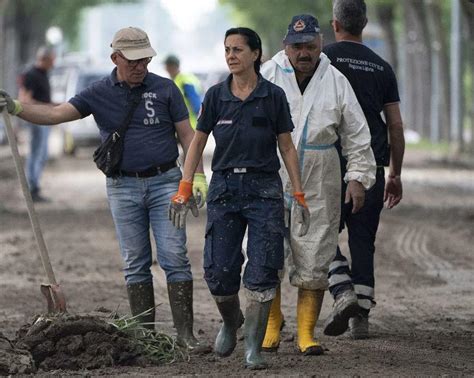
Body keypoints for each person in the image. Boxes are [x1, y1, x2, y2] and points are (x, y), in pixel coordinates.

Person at [0, 26, 210, 353]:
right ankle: (145, 337)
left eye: (145, 59)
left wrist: (195, 179)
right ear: (115, 58)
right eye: (133, 61)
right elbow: (55, 114)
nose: (141, 66)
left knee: (175, 257)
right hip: (122, 187)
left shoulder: (166, 89)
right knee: (136, 261)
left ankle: (186, 335)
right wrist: (16, 107)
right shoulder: (98, 92)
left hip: (166, 183)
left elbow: (188, 136)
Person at [169, 27, 310, 369]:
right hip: (225, 188)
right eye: (227, 49)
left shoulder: (273, 96)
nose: (231, 55)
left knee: (263, 267)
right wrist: (185, 186)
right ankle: (232, 321)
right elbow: (198, 142)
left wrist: (298, 192)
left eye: (238, 50)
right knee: (219, 270)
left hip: (264, 189)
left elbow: (287, 147)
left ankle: (253, 347)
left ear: (256, 54)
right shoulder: (217, 95)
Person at [260, 14, 376, 355]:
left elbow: (356, 135)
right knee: (267, 252)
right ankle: (271, 325)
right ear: (286, 47)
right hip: (272, 172)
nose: (303, 53)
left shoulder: (336, 80)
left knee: (315, 251)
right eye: (297, 47)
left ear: (321, 44)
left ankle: (306, 333)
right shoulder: (267, 75)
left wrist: (357, 178)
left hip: (321, 173)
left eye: (310, 46)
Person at [322, 0, 405, 339]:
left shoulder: (322, 59)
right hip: (371, 165)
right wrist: (395, 173)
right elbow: (395, 126)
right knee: (363, 238)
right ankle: (361, 316)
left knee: (320, 233)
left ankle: (342, 289)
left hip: (327, 163)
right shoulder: (382, 67)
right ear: (365, 23)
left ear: (334, 23)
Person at [17, 46, 56, 202]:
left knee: (42, 153)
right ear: (44, 59)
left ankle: (34, 185)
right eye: (52, 60)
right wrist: (47, 106)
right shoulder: (31, 74)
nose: (54, 63)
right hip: (36, 119)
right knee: (36, 153)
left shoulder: (43, 74)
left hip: (45, 118)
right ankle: (32, 188)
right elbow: (25, 100)